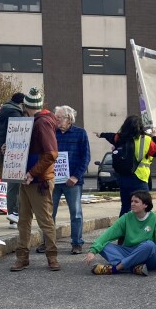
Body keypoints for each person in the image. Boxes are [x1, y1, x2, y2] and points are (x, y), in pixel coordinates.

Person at [9, 87, 60, 272]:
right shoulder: (37, 121)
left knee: (44, 221)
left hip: (37, 181)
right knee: (24, 220)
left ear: (26, 106)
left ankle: (51, 257)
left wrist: (31, 173)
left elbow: (51, 154)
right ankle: (24, 257)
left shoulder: (41, 123)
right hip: (28, 179)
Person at [84, 190, 156, 275]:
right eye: (132, 201)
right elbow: (108, 234)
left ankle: (116, 268)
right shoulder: (126, 217)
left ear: (145, 205)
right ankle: (134, 268)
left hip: (148, 257)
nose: (132, 204)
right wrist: (93, 251)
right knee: (103, 245)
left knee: (149, 245)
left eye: (136, 202)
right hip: (130, 251)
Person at [98, 115, 156, 215]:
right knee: (144, 208)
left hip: (123, 177)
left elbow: (111, 136)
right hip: (140, 178)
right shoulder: (146, 140)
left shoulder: (120, 138)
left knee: (125, 207)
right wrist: (155, 137)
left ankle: (122, 229)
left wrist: (101, 134)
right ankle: (141, 230)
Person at [48, 105, 90, 255]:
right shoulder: (52, 133)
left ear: (69, 119)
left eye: (59, 117)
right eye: (55, 117)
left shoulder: (80, 133)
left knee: (76, 213)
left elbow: (86, 157)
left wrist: (75, 176)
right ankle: (48, 243)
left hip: (72, 181)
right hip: (53, 179)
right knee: (48, 213)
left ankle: (77, 243)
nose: (56, 120)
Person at [0, 92, 25, 228]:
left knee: (11, 185)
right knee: (16, 186)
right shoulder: (15, 113)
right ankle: (15, 215)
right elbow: (19, 133)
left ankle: (12, 215)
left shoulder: (5, 110)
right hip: (15, 152)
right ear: (21, 103)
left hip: (6, 152)